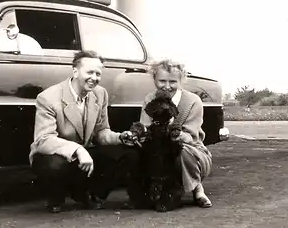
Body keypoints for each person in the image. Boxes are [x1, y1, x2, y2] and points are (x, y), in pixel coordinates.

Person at [29, 50, 141, 213]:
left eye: (98, 73)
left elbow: (101, 131)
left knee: (129, 153)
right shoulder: (48, 98)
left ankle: (92, 194)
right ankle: (56, 198)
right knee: (53, 165)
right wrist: (78, 150)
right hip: (56, 155)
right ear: (75, 71)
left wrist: (121, 137)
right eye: (89, 72)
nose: (94, 78)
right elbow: (43, 140)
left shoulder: (100, 93)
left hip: (85, 156)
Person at [138, 59, 213, 208]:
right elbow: (146, 127)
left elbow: (191, 137)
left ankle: (197, 188)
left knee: (180, 149)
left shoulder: (193, 101)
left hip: (190, 149)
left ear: (181, 81)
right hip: (160, 147)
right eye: (162, 81)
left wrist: (172, 131)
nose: (166, 86)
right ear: (154, 79)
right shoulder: (149, 99)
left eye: (172, 82)